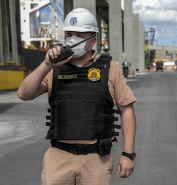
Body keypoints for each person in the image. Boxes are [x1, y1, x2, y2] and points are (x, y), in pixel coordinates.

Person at [17, 8, 136, 185]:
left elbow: (126, 110)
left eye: (79, 35)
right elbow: (23, 94)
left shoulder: (110, 68)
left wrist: (127, 154)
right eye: (70, 34)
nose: (73, 39)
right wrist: (46, 64)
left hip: (96, 159)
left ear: (92, 40)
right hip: (59, 158)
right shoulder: (53, 68)